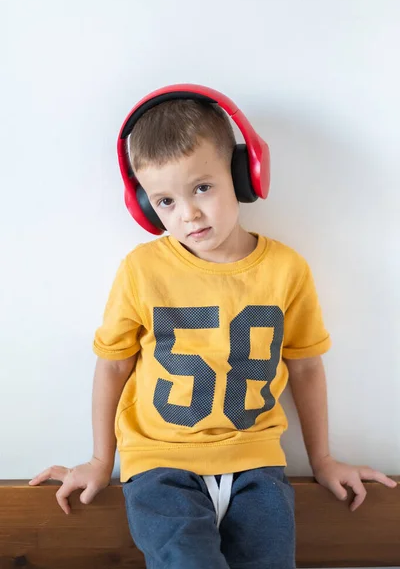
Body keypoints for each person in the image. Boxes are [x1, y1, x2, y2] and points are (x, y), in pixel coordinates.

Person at [30, 85, 397, 569]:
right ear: (144, 205)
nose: (188, 214)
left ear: (244, 176)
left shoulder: (287, 270)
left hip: (257, 466)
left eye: (202, 187)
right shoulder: (142, 270)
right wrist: (101, 460)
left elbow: (306, 367)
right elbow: (114, 363)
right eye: (164, 201)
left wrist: (323, 459)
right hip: (160, 465)